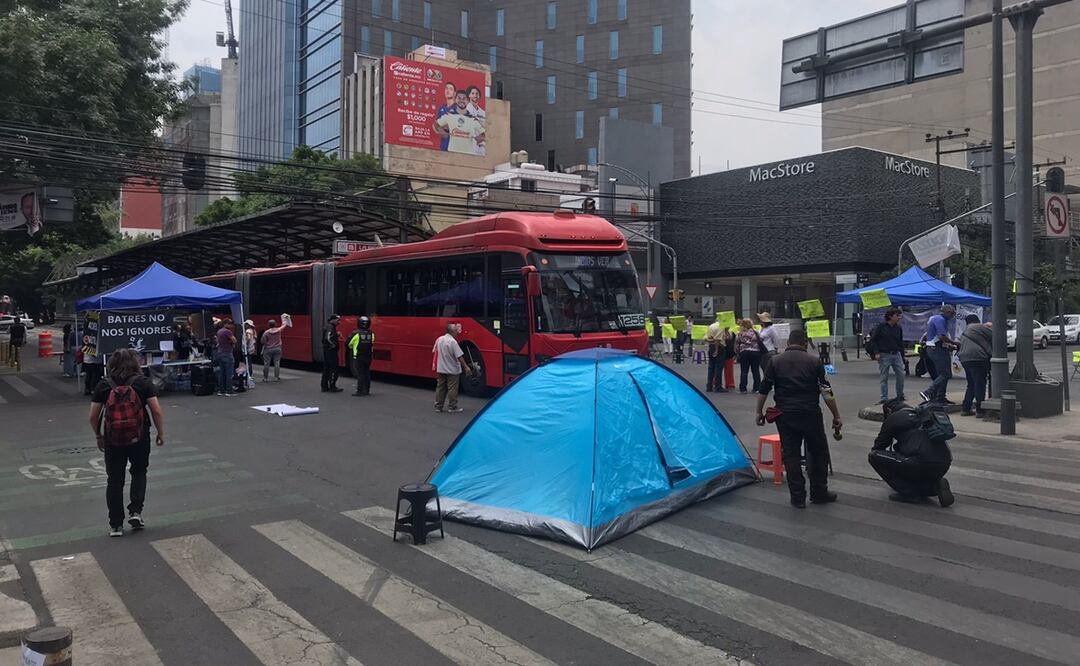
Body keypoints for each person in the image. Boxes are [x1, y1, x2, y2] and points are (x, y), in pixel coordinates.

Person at [756, 328, 841, 508]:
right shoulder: (814, 361)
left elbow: (764, 389)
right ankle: (819, 492)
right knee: (819, 452)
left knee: (791, 454)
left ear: (788, 343)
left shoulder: (775, 361)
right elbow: (826, 391)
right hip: (810, 413)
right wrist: (836, 415)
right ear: (805, 343)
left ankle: (797, 497)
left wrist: (759, 412)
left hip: (785, 415)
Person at [89, 347, 165, 537]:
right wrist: (160, 432)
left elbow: (93, 416)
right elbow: (156, 410)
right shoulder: (143, 383)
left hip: (112, 439)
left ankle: (115, 525)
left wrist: (98, 436)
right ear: (135, 363)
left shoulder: (103, 385)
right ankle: (136, 512)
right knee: (139, 471)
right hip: (139, 436)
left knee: (114, 480)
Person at [869, 398, 954, 507]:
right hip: (944, 463)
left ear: (889, 410)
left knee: (874, 456)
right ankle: (935, 485)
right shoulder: (924, 415)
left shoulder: (894, 418)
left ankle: (909, 493)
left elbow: (879, 446)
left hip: (920, 462)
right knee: (908, 459)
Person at [433, 323, 473, 413]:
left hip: (441, 368)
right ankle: (452, 407)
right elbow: (459, 356)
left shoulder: (439, 339)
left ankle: (438, 407)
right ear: (452, 332)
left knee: (440, 387)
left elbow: (434, 352)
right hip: (452, 369)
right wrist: (466, 367)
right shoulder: (452, 341)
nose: (457, 332)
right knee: (452, 388)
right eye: (456, 330)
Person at [868, 308, 906, 404]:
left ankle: (900, 395)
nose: (899, 318)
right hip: (884, 354)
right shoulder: (881, 327)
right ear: (890, 316)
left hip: (896, 353)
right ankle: (884, 397)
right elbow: (873, 340)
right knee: (884, 376)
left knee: (901, 375)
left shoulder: (898, 328)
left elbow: (900, 341)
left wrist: (902, 354)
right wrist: (876, 352)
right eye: (897, 315)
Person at [922, 305, 958, 404]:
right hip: (936, 349)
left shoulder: (937, 319)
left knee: (942, 374)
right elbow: (941, 336)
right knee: (946, 374)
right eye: (952, 313)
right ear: (946, 312)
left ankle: (940, 397)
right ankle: (928, 392)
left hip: (936, 348)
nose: (952, 316)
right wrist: (955, 343)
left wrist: (950, 346)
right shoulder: (940, 320)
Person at [957, 315, 992, 416]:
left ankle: (966, 408)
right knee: (980, 384)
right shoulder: (978, 327)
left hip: (965, 359)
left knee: (971, 384)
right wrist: (991, 326)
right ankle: (980, 410)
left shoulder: (967, 330)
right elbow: (996, 335)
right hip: (978, 358)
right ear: (977, 320)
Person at [433, 90, 486, 155]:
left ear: (468, 101)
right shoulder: (449, 115)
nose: (461, 100)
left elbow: (484, 133)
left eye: (464, 99)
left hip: (469, 155)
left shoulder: (473, 119)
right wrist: (441, 132)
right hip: (452, 153)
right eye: (459, 98)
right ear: (455, 100)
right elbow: (436, 124)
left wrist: (480, 138)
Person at [347, 316, 375, 396]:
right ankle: (367, 390)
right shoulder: (371, 333)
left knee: (360, 374)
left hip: (358, 357)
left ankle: (360, 391)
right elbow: (372, 342)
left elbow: (348, 344)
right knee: (367, 373)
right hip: (368, 356)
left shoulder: (356, 333)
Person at [735, 319, 762, 394]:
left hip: (744, 352)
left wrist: (737, 353)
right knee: (755, 370)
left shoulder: (740, 333)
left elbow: (737, 344)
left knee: (744, 371)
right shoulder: (755, 332)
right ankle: (757, 387)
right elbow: (761, 340)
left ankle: (743, 389)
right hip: (755, 352)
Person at [704, 319, 729, 393]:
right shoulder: (721, 327)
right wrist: (716, 350)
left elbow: (706, 338)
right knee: (718, 368)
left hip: (711, 347)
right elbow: (718, 340)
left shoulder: (711, 326)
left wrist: (712, 341)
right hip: (719, 348)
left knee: (711, 367)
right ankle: (718, 386)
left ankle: (709, 385)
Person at [213, 320, 237, 397]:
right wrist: (231, 342)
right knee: (229, 373)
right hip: (227, 353)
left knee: (222, 373)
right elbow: (235, 340)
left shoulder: (219, 331)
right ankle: (229, 390)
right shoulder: (228, 332)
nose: (231, 326)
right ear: (226, 324)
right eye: (230, 324)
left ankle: (221, 390)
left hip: (220, 353)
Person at [321, 314, 343, 393]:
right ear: (333, 320)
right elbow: (328, 337)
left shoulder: (328, 326)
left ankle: (324, 386)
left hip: (327, 350)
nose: (339, 322)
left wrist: (336, 335)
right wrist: (333, 345)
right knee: (334, 368)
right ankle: (332, 386)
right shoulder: (330, 327)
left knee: (326, 368)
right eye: (338, 320)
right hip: (331, 351)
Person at [260, 317, 287, 382]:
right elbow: (284, 325)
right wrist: (285, 318)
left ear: (268, 325)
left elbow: (262, 341)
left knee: (266, 363)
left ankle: (265, 378)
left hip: (268, 349)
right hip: (277, 349)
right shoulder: (279, 330)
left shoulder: (266, 332)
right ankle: (276, 377)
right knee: (277, 363)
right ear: (275, 324)